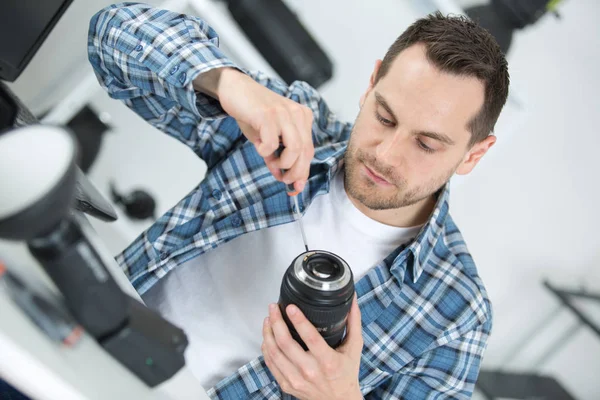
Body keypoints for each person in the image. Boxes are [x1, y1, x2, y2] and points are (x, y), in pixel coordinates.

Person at [88, 3, 509, 399]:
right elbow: (109, 36)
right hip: (82, 346)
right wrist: (227, 83)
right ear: (372, 83)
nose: (385, 154)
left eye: (426, 144)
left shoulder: (456, 312)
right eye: (384, 117)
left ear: (474, 153)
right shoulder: (294, 123)